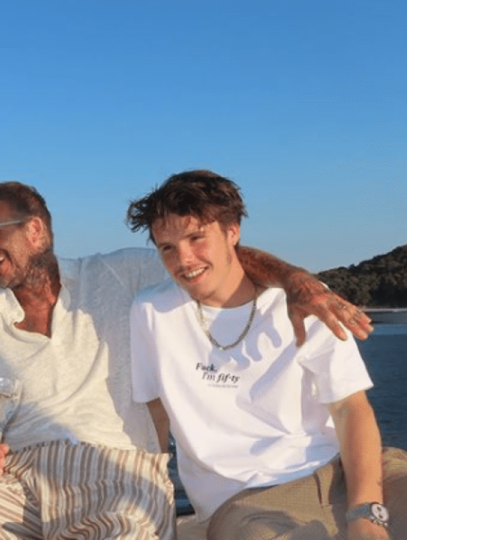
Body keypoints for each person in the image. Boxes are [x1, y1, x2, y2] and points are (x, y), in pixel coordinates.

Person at [0, 182, 373, 539]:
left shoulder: (118, 275)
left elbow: (208, 259)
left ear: (37, 230)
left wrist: (297, 280)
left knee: (126, 526)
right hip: (15, 480)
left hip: (114, 471)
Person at [126, 170, 406, 540]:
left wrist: (366, 514)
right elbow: (155, 415)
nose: (184, 259)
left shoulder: (305, 300)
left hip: (346, 468)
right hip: (249, 500)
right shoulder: (152, 311)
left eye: (196, 238)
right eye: (167, 248)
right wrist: (150, 499)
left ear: (232, 232)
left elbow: (350, 408)